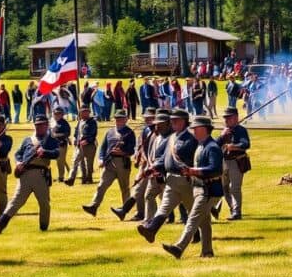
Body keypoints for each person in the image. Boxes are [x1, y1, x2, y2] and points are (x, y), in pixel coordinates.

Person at [161, 115, 222, 259]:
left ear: (204, 129)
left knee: (193, 218)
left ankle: (179, 247)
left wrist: (194, 171)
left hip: (209, 190)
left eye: (196, 128)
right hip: (199, 188)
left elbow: (215, 169)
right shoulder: (201, 145)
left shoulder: (212, 147)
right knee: (204, 221)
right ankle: (207, 252)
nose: (193, 131)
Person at [136, 109, 197, 243]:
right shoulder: (172, 138)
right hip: (170, 179)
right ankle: (151, 230)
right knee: (164, 206)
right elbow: (164, 158)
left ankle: (197, 235)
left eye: (177, 120)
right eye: (172, 120)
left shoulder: (190, 139)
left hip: (184, 180)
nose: (173, 122)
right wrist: (153, 168)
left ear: (185, 122)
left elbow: (189, 157)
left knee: (192, 210)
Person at [0, 114, 60, 234]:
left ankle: (43, 227)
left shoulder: (51, 140)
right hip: (25, 173)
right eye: (37, 125)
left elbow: (56, 153)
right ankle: (1, 223)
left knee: (44, 203)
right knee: (16, 201)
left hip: (40, 174)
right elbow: (18, 154)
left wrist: (45, 152)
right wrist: (18, 163)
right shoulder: (27, 140)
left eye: (41, 125)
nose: (39, 127)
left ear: (46, 125)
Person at [82, 109, 135, 216]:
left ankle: (124, 210)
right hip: (109, 163)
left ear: (125, 119)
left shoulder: (130, 133)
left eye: (121, 118)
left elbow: (132, 150)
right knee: (101, 185)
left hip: (123, 163)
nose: (119, 120)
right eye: (117, 118)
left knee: (124, 188)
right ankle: (94, 206)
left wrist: (123, 152)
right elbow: (103, 148)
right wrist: (101, 159)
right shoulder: (109, 132)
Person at [215, 107, 250, 221]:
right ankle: (233, 208)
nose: (226, 120)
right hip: (224, 161)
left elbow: (246, 144)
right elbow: (215, 145)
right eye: (225, 118)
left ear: (235, 118)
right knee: (224, 188)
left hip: (236, 161)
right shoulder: (224, 131)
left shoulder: (241, 130)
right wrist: (222, 136)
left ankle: (236, 212)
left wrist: (233, 146)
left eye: (229, 117)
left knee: (234, 188)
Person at [65, 106, 98, 185]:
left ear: (89, 113)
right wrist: (75, 138)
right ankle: (71, 178)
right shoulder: (80, 122)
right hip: (79, 146)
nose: (84, 113)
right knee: (75, 161)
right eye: (82, 112)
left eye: (86, 112)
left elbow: (93, 134)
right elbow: (77, 132)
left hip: (89, 145)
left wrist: (87, 140)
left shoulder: (92, 122)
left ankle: (88, 178)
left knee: (89, 163)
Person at [51, 108, 72, 182]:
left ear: (62, 115)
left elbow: (67, 133)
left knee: (60, 161)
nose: (56, 115)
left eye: (58, 114)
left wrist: (55, 135)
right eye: (55, 114)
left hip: (61, 144)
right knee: (60, 160)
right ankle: (69, 172)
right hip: (55, 144)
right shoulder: (53, 122)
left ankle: (61, 177)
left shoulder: (64, 123)